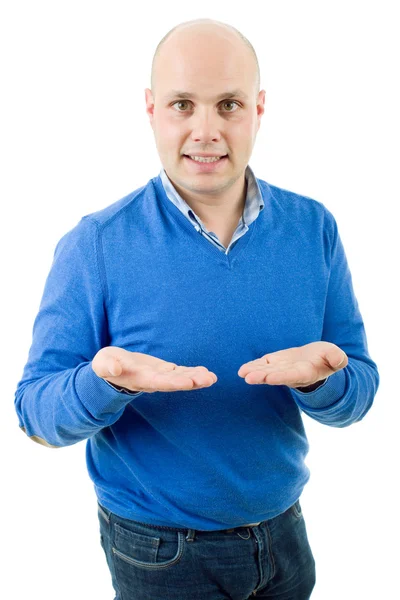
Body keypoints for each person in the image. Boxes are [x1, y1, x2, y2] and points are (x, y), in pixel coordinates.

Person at [14, 17, 379, 600]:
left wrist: (325, 380)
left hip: (286, 537)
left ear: (259, 109)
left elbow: (358, 390)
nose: (206, 130)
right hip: (160, 552)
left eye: (228, 104)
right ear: (152, 109)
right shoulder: (97, 244)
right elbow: (35, 415)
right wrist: (105, 382)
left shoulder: (314, 229)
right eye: (183, 104)